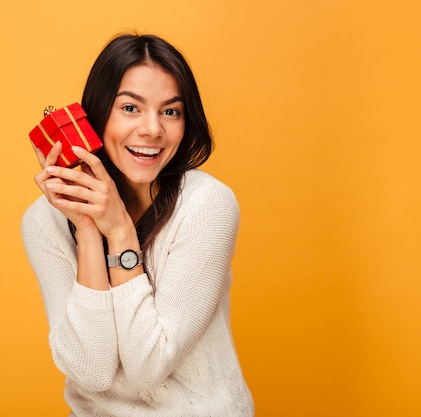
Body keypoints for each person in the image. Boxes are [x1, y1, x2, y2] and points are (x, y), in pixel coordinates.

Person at [21, 33, 254, 416]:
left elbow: (148, 368)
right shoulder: (43, 221)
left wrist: (121, 233)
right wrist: (89, 229)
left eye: (170, 111)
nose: (152, 130)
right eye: (130, 108)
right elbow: (91, 372)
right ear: (94, 115)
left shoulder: (207, 206)